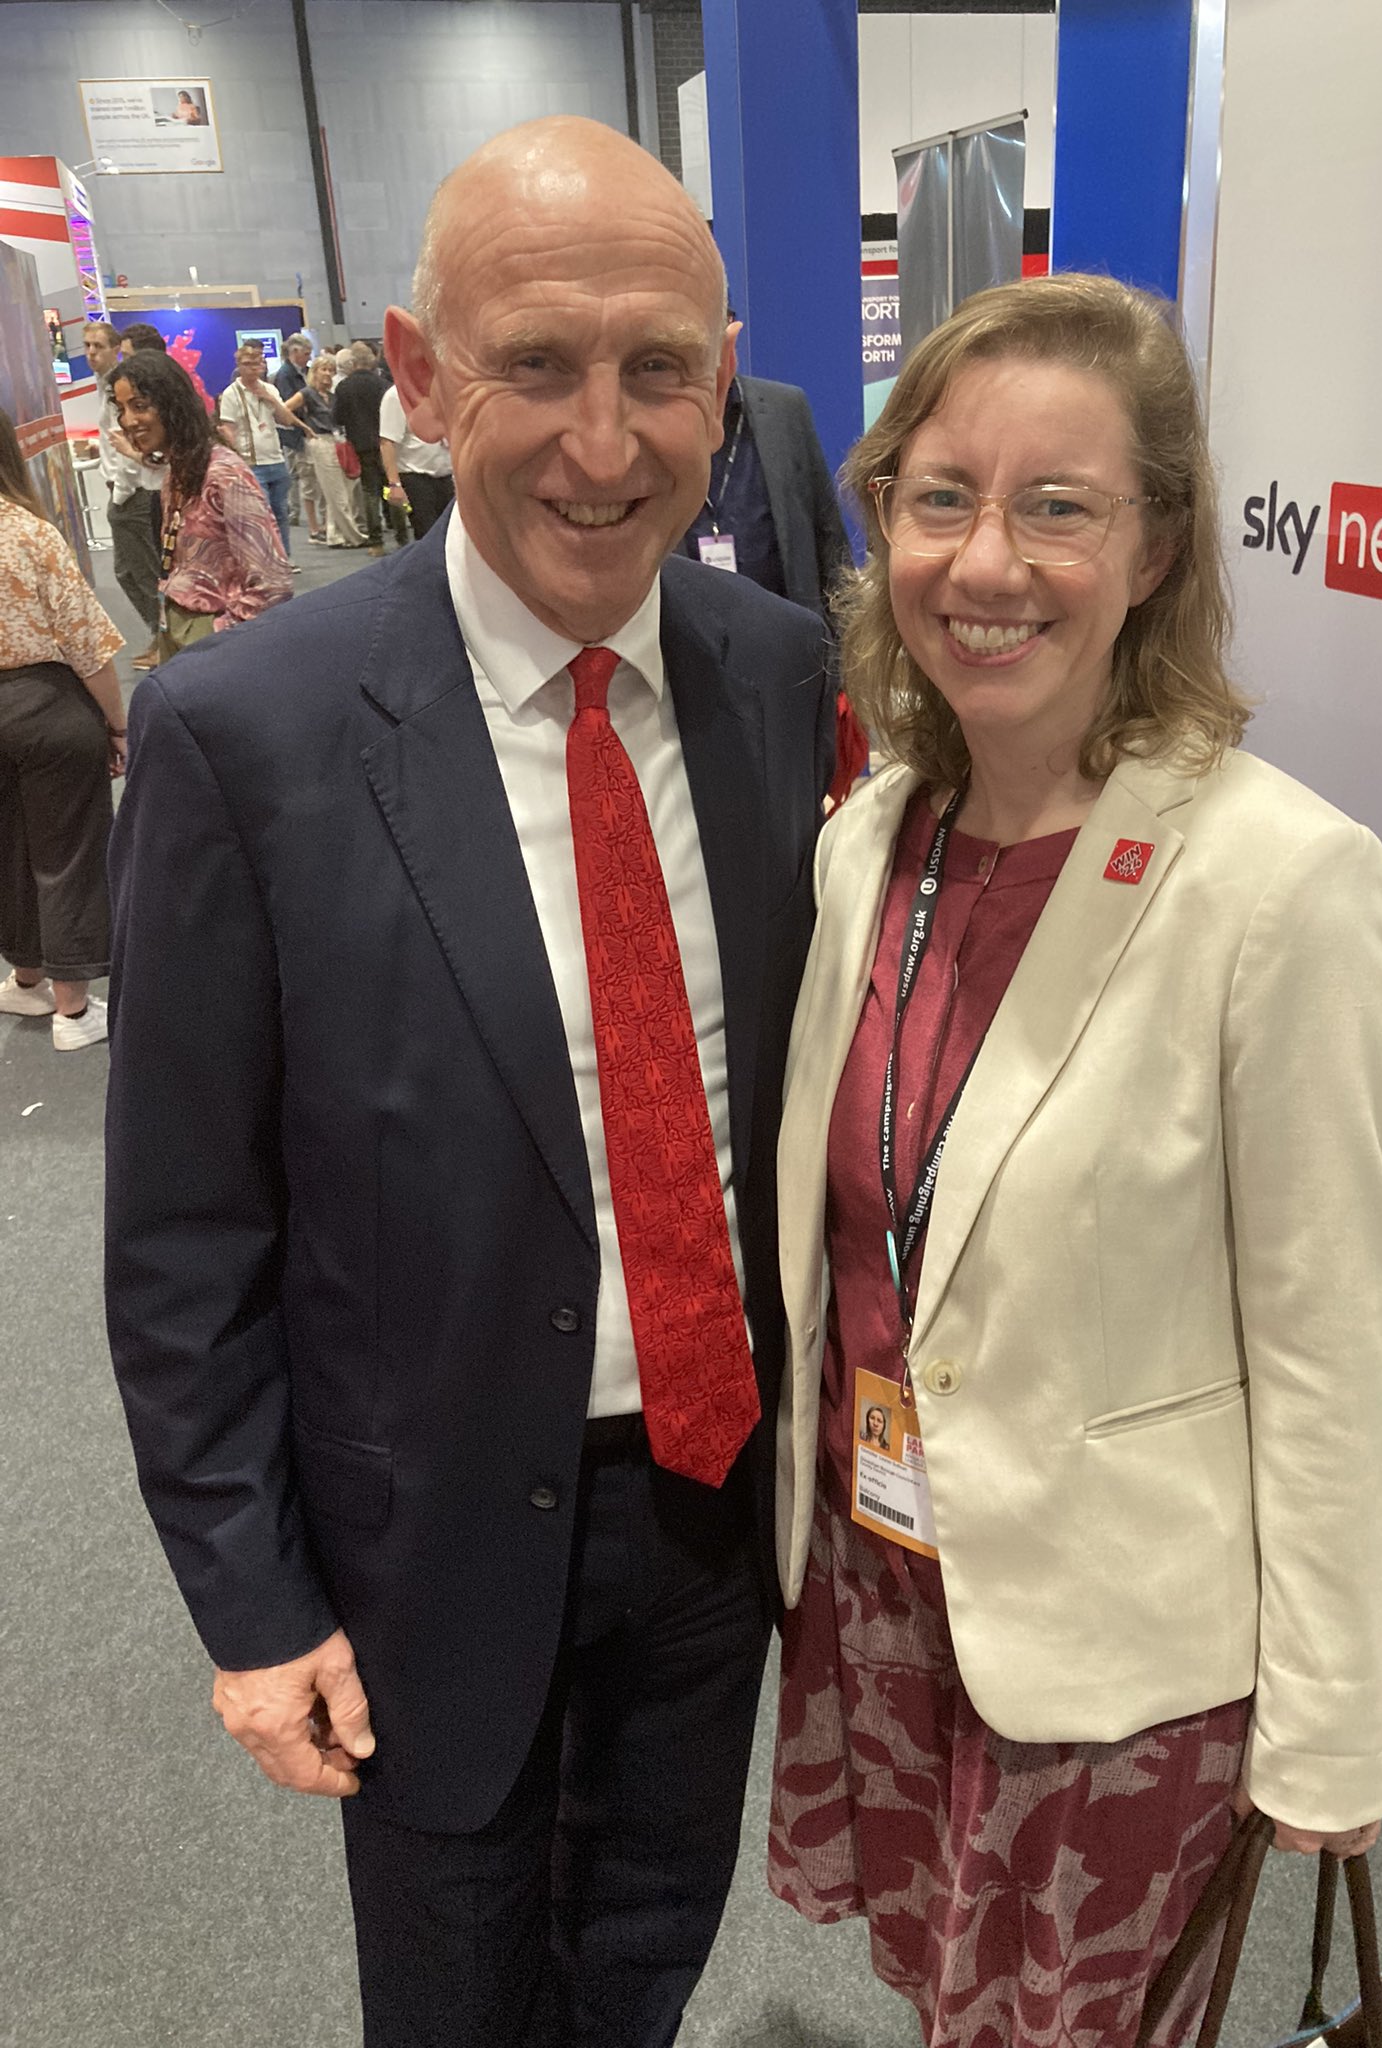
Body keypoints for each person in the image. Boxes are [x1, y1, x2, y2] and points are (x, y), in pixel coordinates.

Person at [104, 115, 836, 2048]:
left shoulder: (775, 674)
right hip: (420, 1526)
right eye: (538, 365)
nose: (606, 443)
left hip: (708, 1495)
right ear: (420, 379)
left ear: (723, 377)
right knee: (454, 1991)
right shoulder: (240, 732)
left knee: (645, 1952)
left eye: (657, 370)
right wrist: (251, 1606)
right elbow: (184, 1236)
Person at [768, 274, 1382, 2048]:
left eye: (1058, 506)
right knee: (946, 2000)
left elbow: (1336, 1352)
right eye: (940, 495)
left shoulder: (1281, 883)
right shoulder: (871, 837)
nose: (986, 561)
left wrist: (1331, 1729)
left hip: (1124, 1664)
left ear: (1153, 549)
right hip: (895, 1591)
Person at [0, 407, 126, 1052]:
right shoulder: (28, 533)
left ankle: (25, 977)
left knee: (10, 850)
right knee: (68, 854)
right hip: (45, 705)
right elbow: (86, 639)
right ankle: (74, 1013)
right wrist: (118, 723)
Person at [111, 348, 292, 658]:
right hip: (182, 627)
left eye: (139, 406)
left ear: (171, 406)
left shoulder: (224, 474)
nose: (128, 421)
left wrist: (218, 640)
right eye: (121, 408)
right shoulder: (178, 472)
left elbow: (272, 585)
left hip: (215, 639)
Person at [680, 367, 849, 626]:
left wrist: (844, 651)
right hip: (689, 642)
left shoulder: (785, 408)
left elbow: (829, 538)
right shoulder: (649, 417)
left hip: (791, 645)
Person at [83, 319, 166, 671]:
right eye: (86, 346)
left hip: (132, 493)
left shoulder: (123, 389)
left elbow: (131, 444)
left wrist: (121, 493)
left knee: (144, 574)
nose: (90, 353)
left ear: (116, 349)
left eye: (98, 346)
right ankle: (158, 638)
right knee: (127, 574)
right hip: (124, 490)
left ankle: (165, 644)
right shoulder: (105, 387)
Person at [218, 341, 310, 555]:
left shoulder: (270, 389)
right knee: (261, 514)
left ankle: (285, 557)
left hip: (276, 459)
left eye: (257, 363)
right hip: (252, 464)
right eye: (247, 364)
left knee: (281, 514)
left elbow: (287, 420)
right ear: (239, 366)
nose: (252, 368)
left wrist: (271, 400)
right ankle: (266, 559)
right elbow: (228, 429)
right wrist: (236, 460)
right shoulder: (231, 394)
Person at [332, 338, 405, 555]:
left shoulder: (344, 387)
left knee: (370, 493)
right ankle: (402, 537)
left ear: (353, 363)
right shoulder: (384, 386)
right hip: (386, 444)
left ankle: (376, 542)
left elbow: (337, 417)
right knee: (392, 488)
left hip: (361, 446)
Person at [289, 351, 365, 548]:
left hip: (337, 441)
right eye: (324, 369)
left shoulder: (332, 396)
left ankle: (335, 534)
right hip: (320, 441)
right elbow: (283, 409)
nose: (328, 374)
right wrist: (303, 427)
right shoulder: (307, 393)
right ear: (315, 371)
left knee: (343, 491)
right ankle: (354, 536)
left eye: (331, 370)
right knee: (337, 494)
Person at [379, 378, 454, 540]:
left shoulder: (444, 391)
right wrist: (394, 484)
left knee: (451, 535)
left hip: (446, 474)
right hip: (416, 477)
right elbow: (387, 443)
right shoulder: (396, 396)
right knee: (428, 534)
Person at [274, 333, 324, 545]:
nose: (308, 357)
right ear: (294, 352)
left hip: (304, 433)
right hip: (295, 436)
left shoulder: (301, 372)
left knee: (307, 478)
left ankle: (304, 517)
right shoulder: (285, 375)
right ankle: (302, 518)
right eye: (305, 354)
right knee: (302, 478)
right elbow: (286, 407)